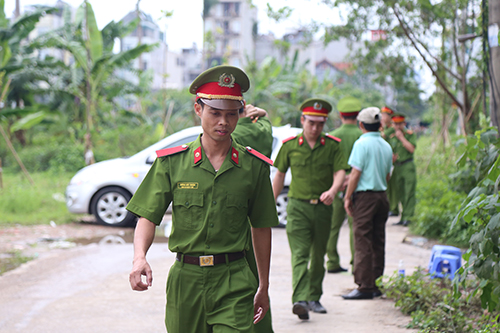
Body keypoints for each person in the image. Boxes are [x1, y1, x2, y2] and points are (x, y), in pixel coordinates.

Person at [126, 65, 279, 333]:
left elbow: (261, 227)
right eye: (215, 113)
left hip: (234, 278)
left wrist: (263, 285)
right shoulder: (172, 163)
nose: (223, 122)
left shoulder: (253, 166)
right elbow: (148, 215)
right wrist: (139, 257)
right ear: (199, 109)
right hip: (186, 281)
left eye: (231, 115)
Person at [272, 98, 347, 319]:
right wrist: (269, 205)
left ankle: (314, 298)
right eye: (311, 122)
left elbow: (340, 171)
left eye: (320, 124)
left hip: (323, 209)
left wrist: (333, 191)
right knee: (300, 254)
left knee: (318, 255)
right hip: (297, 208)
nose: (315, 128)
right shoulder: (290, 145)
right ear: (303, 120)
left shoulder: (333, 146)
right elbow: (279, 175)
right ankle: (300, 300)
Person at [342, 107, 393, 300]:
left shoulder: (361, 144)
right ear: (380, 125)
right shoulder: (386, 146)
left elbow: (355, 173)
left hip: (365, 197)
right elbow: (388, 174)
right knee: (378, 239)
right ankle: (376, 283)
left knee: (362, 240)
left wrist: (348, 197)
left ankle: (364, 286)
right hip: (382, 195)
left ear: (361, 125)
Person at [232, 103, 275, 333]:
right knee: (258, 281)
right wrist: (263, 114)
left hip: (234, 216)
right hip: (256, 210)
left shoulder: (230, 134)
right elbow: (267, 126)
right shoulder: (262, 130)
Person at [326, 96, 363, 274]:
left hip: (336, 186)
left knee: (332, 227)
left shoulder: (332, 137)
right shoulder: (362, 137)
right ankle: (356, 263)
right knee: (354, 226)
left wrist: (337, 182)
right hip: (357, 186)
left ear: (340, 115)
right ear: (357, 116)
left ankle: (332, 262)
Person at [388, 113, 417, 226]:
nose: (397, 127)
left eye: (399, 124)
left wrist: (401, 137)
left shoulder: (409, 134)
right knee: (399, 192)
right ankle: (403, 217)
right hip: (397, 167)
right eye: (395, 124)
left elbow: (411, 149)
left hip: (407, 166)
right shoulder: (392, 136)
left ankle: (408, 217)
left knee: (409, 191)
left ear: (404, 124)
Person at [380, 106, 399, 217]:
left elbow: (383, 137)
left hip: (393, 161)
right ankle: (390, 207)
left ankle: (394, 208)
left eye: (384, 115)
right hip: (385, 161)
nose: (382, 117)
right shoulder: (384, 128)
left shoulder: (391, 128)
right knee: (387, 186)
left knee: (393, 187)